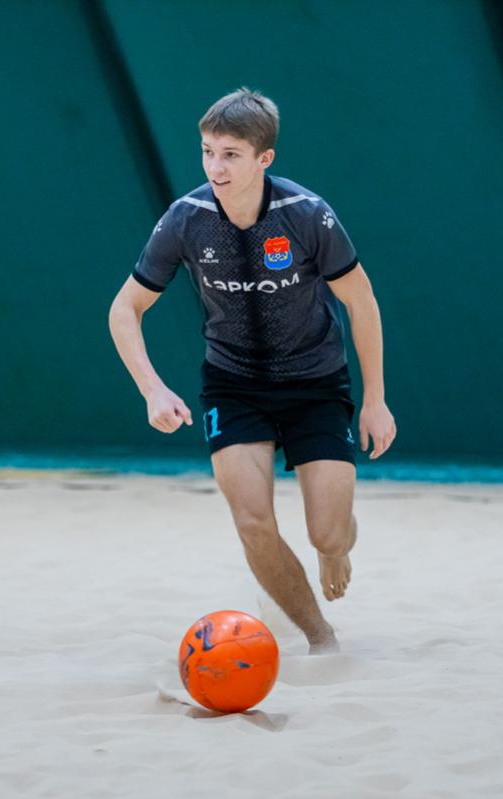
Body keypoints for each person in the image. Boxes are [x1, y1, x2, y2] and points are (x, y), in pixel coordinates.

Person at [109, 88, 396, 653]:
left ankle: (335, 547)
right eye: (207, 151)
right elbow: (125, 309)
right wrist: (151, 389)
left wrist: (375, 400)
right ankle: (320, 638)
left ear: (264, 158)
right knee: (253, 522)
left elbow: (361, 302)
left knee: (328, 533)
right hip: (233, 384)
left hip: (315, 383)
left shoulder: (307, 214)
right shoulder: (185, 219)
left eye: (231, 155)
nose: (215, 167)